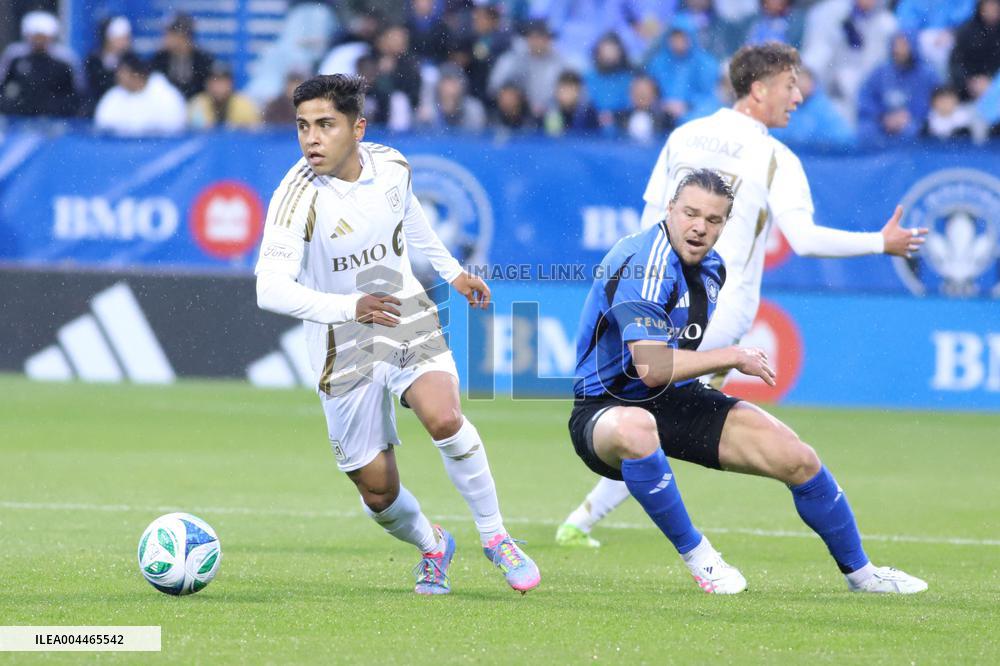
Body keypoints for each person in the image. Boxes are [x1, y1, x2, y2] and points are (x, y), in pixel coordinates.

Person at [557, 42, 928, 558]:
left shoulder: (684, 134)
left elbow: (648, 225)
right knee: (668, 416)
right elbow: (805, 239)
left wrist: (639, 304)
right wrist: (878, 244)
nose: (798, 96)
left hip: (656, 301)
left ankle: (586, 516)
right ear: (759, 89)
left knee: (648, 412)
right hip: (717, 310)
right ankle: (616, 527)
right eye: (789, 84)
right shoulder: (774, 155)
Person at [567, 168, 928, 595]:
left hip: (673, 400)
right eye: (690, 213)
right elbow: (652, 367)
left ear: (725, 224)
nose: (700, 226)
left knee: (798, 457)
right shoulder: (647, 263)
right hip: (604, 410)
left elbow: (672, 360)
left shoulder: (712, 269)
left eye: (714, 219)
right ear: (669, 210)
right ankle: (702, 559)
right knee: (637, 428)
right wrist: (734, 356)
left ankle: (864, 576)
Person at [253, 74, 540, 596]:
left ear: (357, 128)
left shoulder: (391, 165)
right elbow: (268, 290)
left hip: (403, 309)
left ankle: (497, 537)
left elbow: (410, 217)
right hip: (342, 346)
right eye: (302, 127)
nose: (311, 139)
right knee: (377, 491)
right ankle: (433, 545)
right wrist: (350, 306)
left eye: (325, 125)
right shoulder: (295, 199)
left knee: (445, 417)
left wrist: (452, 272)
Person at [94, 52, 187, 136]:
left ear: (136, 74)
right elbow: (102, 125)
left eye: (122, 73)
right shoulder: (113, 96)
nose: (118, 77)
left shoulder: (165, 95)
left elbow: (175, 127)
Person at [150, 14, 215, 99]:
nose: (165, 38)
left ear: (182, 35)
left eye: (169, 34)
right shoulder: (159, 59)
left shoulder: (204, 60)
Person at [188, 62, 262, 129]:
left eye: (223, 82)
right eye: (215, 81)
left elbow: (254, 133)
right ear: (207, 84)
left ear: (231, 83)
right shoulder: (197, 104)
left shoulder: (244, 104)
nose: (219, 87)